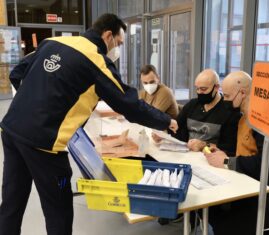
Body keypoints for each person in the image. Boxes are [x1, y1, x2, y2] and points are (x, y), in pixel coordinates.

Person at [0, 13, 178, 235]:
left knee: (11, 202)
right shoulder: (96, 61)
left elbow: (17, 73)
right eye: (119, 43)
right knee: (59, 209)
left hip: (11, 130)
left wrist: (31, 104)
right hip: (44, 145)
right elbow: (130, 105)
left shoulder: (54, 42)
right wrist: (165, 120)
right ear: (108, 35)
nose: (118, 50)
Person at [204, 71, 269, 235]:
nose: (225, 101)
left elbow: (268, 162)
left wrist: (226, 162)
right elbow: (249, 152)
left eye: (228, 96)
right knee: (214, 210)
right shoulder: (245, 117)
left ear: (242, 93)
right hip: (259, 185)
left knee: (225, 224)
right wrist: (224, 154)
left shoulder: (264, 119)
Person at [158, 69, 241, 154]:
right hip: (188, 154)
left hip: (211, 158)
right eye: (197, 89)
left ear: (216, 87)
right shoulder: (192, 105)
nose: (199, 92)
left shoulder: (229, 111)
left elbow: (230, 147)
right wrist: (163, 134)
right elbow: (176, 128)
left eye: (203, 89)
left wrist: (204, 145)